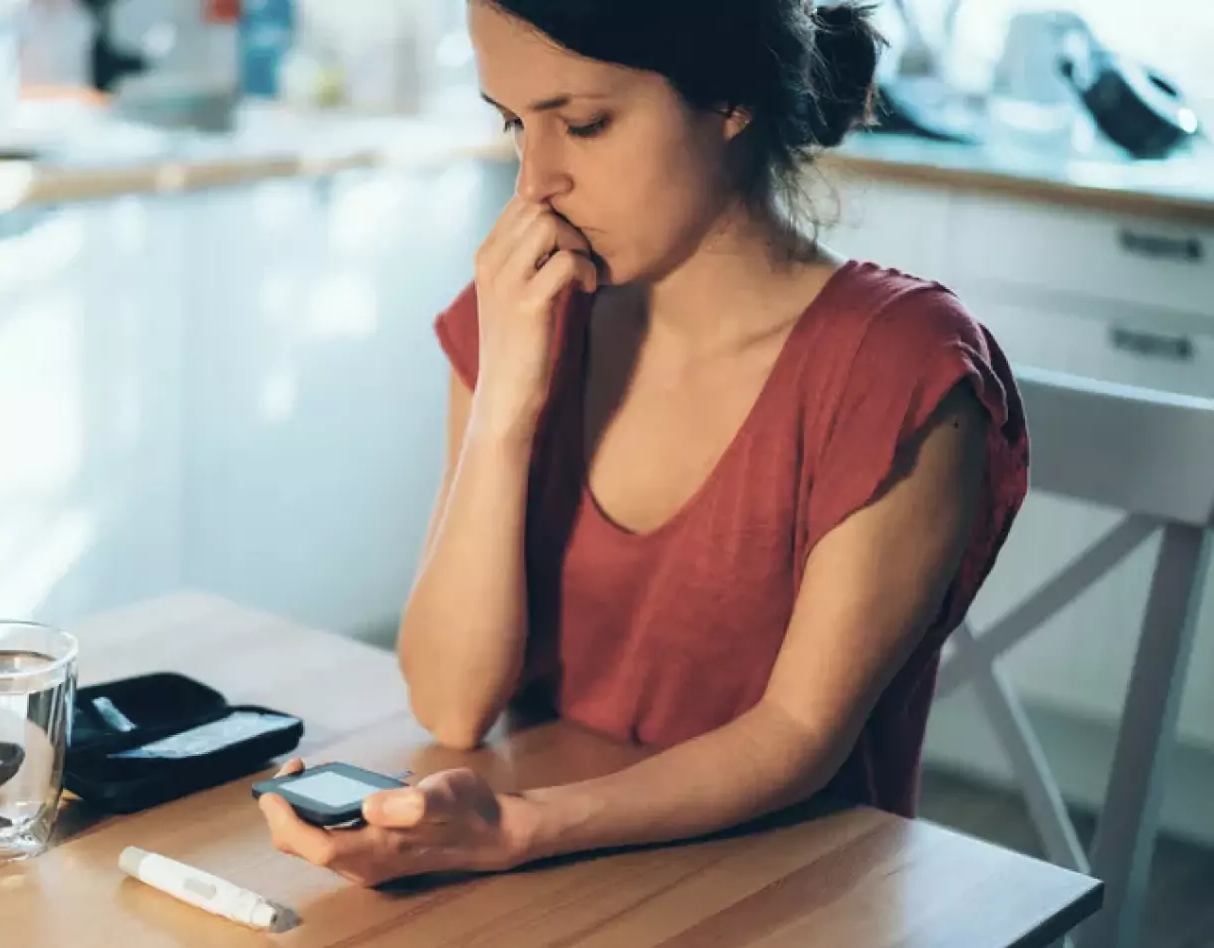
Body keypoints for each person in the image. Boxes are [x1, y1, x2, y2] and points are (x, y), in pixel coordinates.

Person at [258, 0, 1029, 887]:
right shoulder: (521, 317)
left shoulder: (902, 367)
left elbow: (797, 737)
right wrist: (507, 395)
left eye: (584, 124)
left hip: (787, 891)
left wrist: (520, 828)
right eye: (514, 122)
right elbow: (451, 702)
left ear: (731, 96)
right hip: (548, 884)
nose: (534, 182)